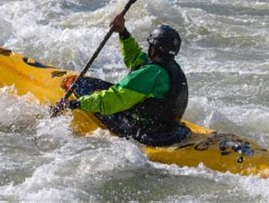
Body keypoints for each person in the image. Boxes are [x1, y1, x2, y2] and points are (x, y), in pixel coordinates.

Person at [54, 14, 191, 146]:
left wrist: (75, 104)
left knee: (83, 87)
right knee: (101, 89)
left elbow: (114, 99)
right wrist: (123, 32)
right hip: (170, 129)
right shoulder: (171, 68)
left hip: (146, 132)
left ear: (153, 49)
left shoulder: (149, 74)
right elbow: (136, 58)